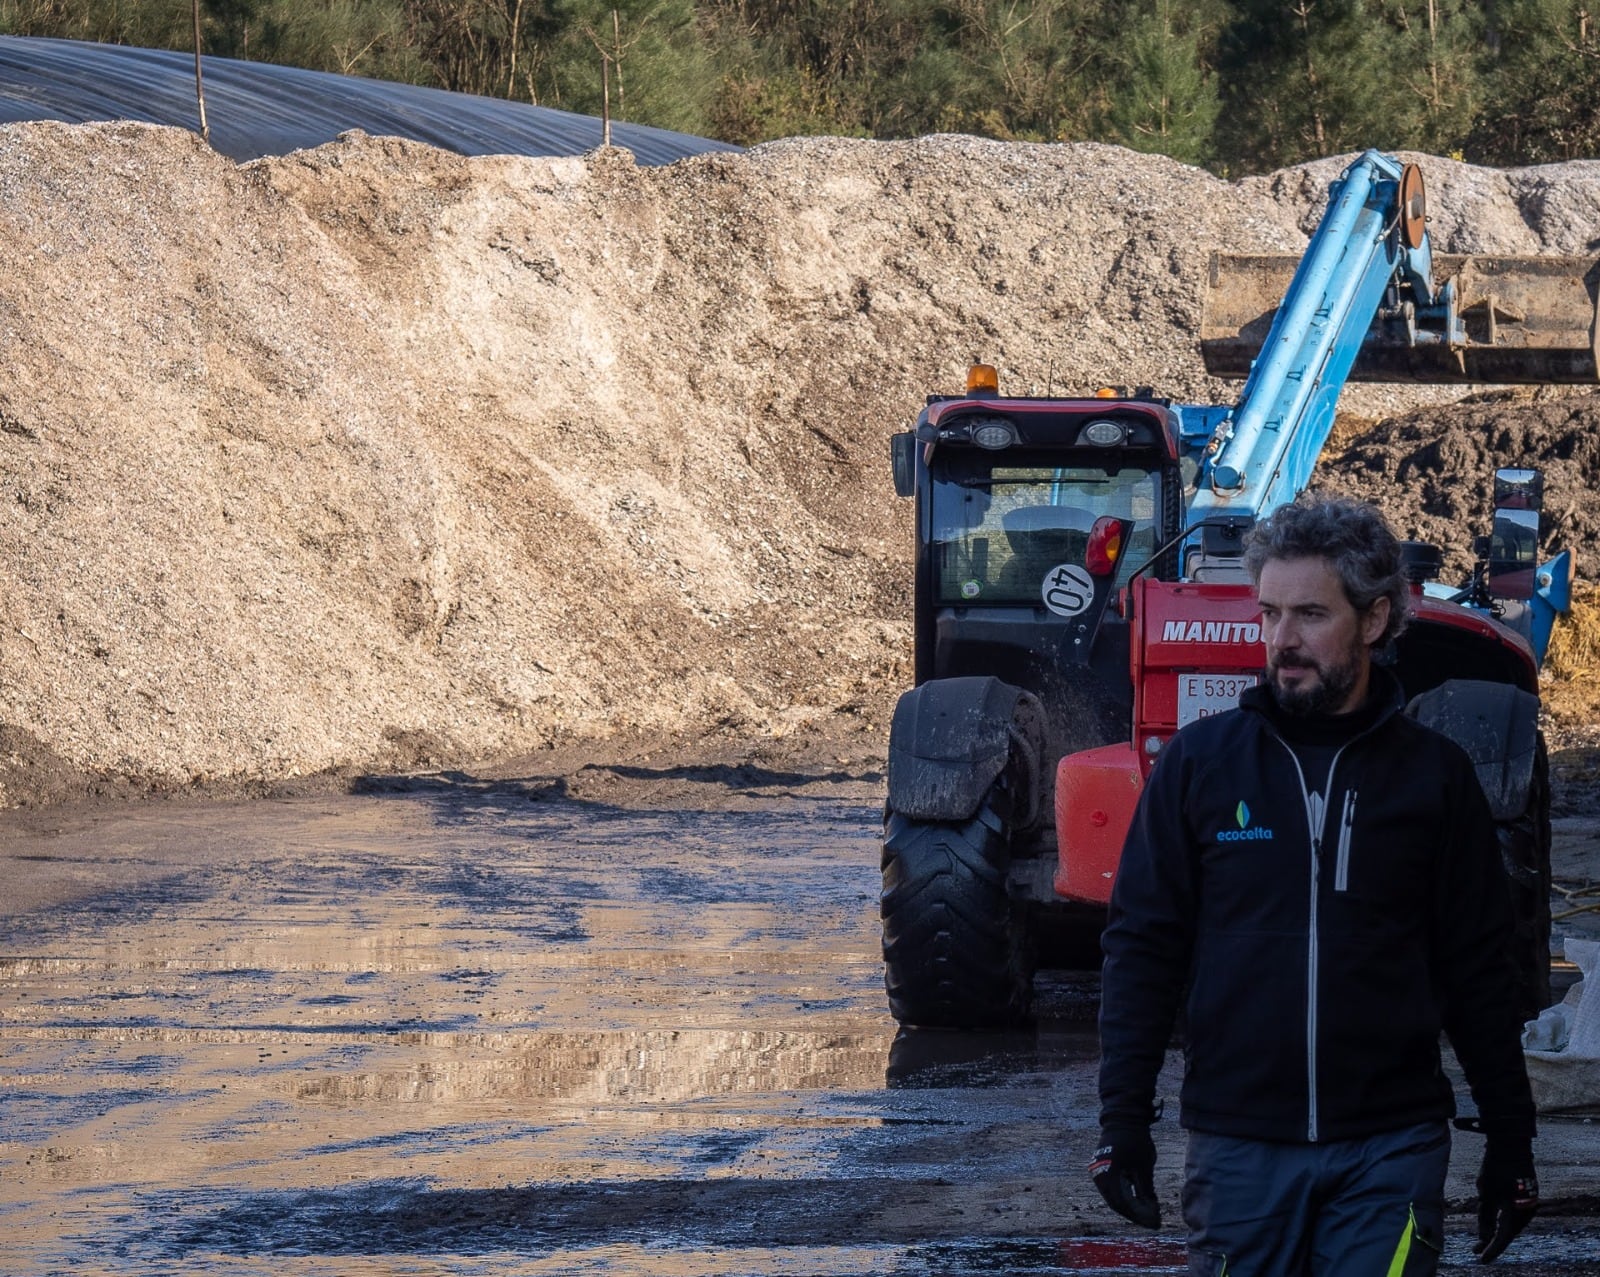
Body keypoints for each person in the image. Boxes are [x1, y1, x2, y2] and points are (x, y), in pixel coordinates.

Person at [1090, 495, 1539, 1274]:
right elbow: (1143, 949)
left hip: (1390, 1149)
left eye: (1309, 614)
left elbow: (1480, 969)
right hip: (1238, 1151)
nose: (1281, 641)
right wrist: (1121, 1120)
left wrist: (1511, 1137)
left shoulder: (1435, 779)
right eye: (1268, 613)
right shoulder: (1200, 767)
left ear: (1373, 619)